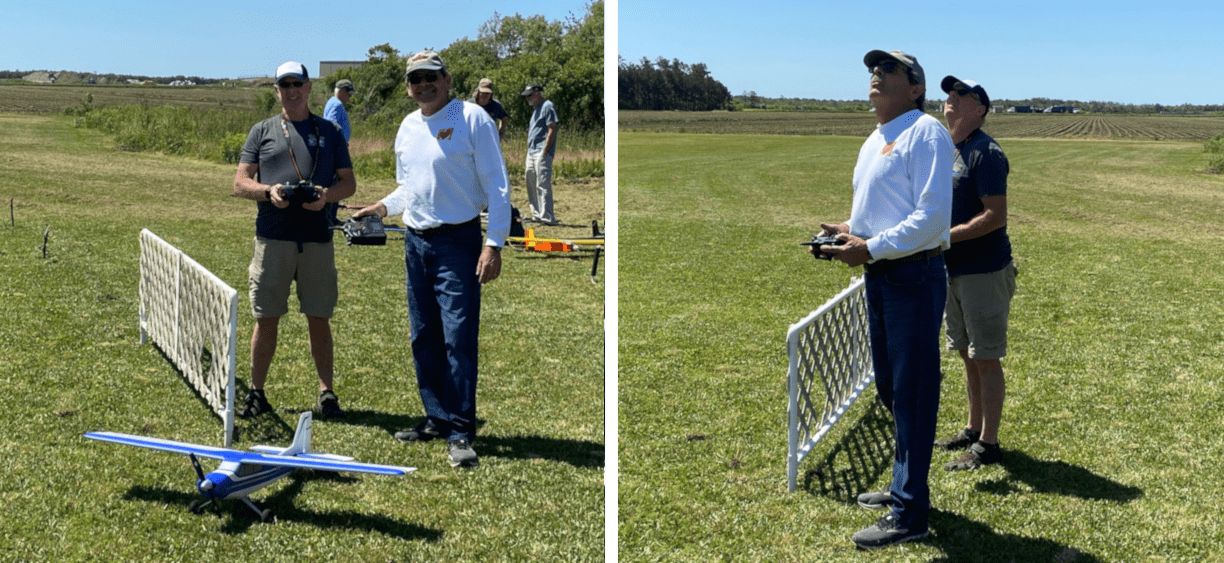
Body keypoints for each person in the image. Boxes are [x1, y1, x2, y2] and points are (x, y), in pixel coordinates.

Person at [813, 50, 953, 550]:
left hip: (912, 278)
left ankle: (910, 513)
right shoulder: (876, 137)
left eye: (888, 71)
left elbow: (932, 219)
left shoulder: (925, 131)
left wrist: (869, 246)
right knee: (894, 390)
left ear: (915, 88)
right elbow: (889, 210)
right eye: (873, 70)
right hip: (883, 276)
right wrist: (850, 231)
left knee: (913, 393)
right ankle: (902, 488)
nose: (876, 76)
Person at [350, 50, 510, 469]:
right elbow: (409, 189)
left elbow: (497, 185)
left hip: (459, 242)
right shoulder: (407, 127)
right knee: (424, 335)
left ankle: (460, 430)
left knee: (458, 339)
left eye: (430, 77)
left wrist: (493, 243)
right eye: (415, 79)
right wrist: (381, 208)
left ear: (447, 79)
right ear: (408, 87)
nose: (423, 84)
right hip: (415, 242)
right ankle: (436, 418)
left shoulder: (473, 118)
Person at [231, 61, 356, 420]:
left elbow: (349, 183)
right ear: (276, 91)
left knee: (319, 316)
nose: (291, 90)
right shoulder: (262, 130)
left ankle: (327, 393)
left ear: (309, 88)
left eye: (297, 84)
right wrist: (268, 191)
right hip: (273, 238)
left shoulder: (330, 131)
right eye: (284, 85)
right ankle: (257, 393)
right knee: (266, 317)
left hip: (317, 238)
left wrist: (326, 196)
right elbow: (239, 182)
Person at [934, 76, 1016, 471]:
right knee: (966, 354)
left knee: (985, 357)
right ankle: (972, 428)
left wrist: (944, 237)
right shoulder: (952, 149)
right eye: (950, 94)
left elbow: (994, 216)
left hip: (983, 271)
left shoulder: (986, 153)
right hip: (954, 270)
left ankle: (989, 444)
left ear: (980, 110)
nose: (951, 99)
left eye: (962, 95)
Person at [521, 83, 559, 224]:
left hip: (541, 152)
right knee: (530, 182)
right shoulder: (536, 108)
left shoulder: (547, 106)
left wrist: (544, 150)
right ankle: (536, 215)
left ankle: (547, 217)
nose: (527, 99)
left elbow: (552, 128)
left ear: (538, 93)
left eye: (529, 96)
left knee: (542, 184)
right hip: (531, 151)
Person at [470, 78, 507, 142]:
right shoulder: (469, 104)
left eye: (487, 93)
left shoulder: (495, 105)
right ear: (478, 92)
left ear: (491, 94)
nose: (484, 95)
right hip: (471, 140)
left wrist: (501, 133)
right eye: (482, 92)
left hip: (489, 141)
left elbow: (504, 118)